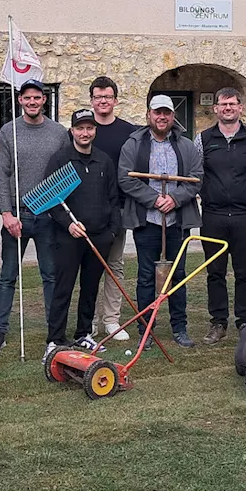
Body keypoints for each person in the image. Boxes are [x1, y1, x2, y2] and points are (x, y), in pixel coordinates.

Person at [0, 79, 69, 355]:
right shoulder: (9, 132)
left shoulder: (59, 132)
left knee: (51, 276)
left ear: (44, 100)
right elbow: (2, 175)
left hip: (48, 215)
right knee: (8, 276)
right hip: (18, 216)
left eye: (37, 97)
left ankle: (55, 333)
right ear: (20, 101)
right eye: (27, 98)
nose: (32, 102)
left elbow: (64, 172)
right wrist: (7, 213)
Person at [118, 94, 203, 348]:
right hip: (148, 221)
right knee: (146, 276)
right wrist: (154, 200)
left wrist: (174, 199)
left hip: (177, 221)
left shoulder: (186, 145)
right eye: (157, 112)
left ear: (173, 116)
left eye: (166, 112)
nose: (162, 117)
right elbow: (125, 178)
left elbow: (197, 177)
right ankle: (146, 328)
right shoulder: (134, 144)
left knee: (178, 274)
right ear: (149, 115)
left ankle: (180, 327)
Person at [43, 109, 122, 351]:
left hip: (98, 236)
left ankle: (83, 333)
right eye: (80, 128)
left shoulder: (103, 160)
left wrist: (111, 232)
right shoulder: (60, 160)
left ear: (95, 131)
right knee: (63, 288)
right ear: (72, 131)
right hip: (68, 237)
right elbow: (51, 201)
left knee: (90, 288)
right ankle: (55, 339)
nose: (85, 133)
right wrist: (68, 224)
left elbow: (113, 199)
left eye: (89, 128)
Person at [194, 87, 246, 346]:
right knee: (215, 271)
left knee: (244, 271)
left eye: (233, 104)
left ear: (240, 107)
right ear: (216, 109)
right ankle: (218, 322)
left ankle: (245, 320)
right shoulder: (204, 139)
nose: (228, 108)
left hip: (245, 214)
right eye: (223, 104)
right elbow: (195, 172)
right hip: (213, 215)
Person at [89, 76, 138, 341]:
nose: (103, 101)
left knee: (114, 265)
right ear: (92, 101)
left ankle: (111, 320)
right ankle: (89, 322)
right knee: (89, 267)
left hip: (117, 209)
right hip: (87, 211)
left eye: (107, 96)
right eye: (98, 97)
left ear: (115, 100)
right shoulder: (83, 128)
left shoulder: (128, 131)